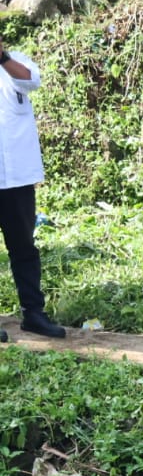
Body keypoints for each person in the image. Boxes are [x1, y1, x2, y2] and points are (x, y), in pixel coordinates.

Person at [0, 40, 65, 339]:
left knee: (24, 247)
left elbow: (31, 80)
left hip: (17, 178)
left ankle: (34, 314)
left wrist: (3, 57)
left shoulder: (16, 62)